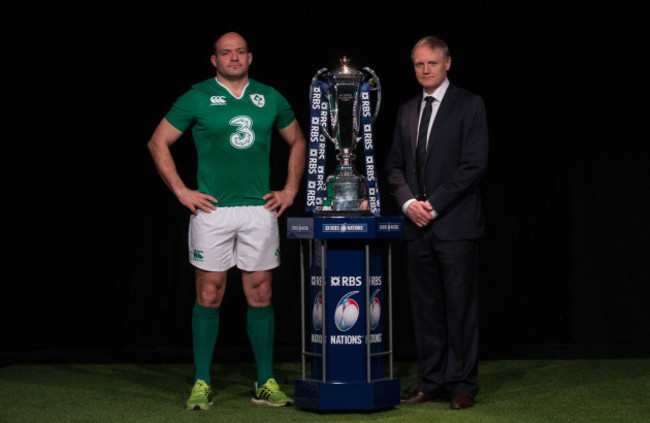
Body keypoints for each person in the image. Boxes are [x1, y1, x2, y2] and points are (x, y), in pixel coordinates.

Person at [147, 32, 306, 410]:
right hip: (212, 212)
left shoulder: (270, 96)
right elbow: (158, 142)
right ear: (214, 60)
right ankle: (201, 381)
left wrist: (289, 189)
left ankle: (265, 381)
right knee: (209, 293)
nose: (233, 58)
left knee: (261, 294)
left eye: (239, 52)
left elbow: (298, 141)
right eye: (225, 53)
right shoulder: (198, 95)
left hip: (258, 210)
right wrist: (181, 191)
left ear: (250, 57)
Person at [385, 35, 488, 410]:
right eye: (418, 64)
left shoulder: (470, 104)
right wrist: (409, 202)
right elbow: (394, 166)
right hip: (416, 227)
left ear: (447, 63)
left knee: (459, 308)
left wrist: (433, 204)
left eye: (431, 63)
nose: (424, 70)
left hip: (455, 225)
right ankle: (432, 381)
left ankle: (462, 384)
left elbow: (474, 165)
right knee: (425, 309)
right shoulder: (407, 109)